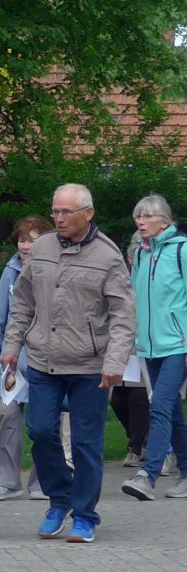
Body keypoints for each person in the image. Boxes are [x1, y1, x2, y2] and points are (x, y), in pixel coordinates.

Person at [0, 183, 136, 544]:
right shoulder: (42, 248)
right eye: (55, 211)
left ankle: (85, 516)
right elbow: (23, 302)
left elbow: (123, 314)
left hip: (90, 366)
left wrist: (115, 361)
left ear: (88, 214)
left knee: (86, 443)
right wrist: (12, 344)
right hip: (43, 361)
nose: (58, 218)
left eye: (66, 212)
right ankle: (59, 501)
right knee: (41, 432)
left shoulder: (107, 256)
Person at [0, 216, 51, 501]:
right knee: (7, 419)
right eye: (22, 240)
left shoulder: (55, 268)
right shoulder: (10, 272)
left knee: (44, 424)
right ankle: (6, 482)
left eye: (32, 240)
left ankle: (44, 482)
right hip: (12, 363)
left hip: (46, 360)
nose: (25, 246)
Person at [124, 195, 187, 501]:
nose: (141, 221)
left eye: (147, 216)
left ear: (165, 221)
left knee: (159, 405)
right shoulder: (141, 253)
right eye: (138, 216)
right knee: (172, 411)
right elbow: (133, 297)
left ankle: (147, 476)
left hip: (178, 345)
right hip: (149, 346)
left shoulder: (182, 250)